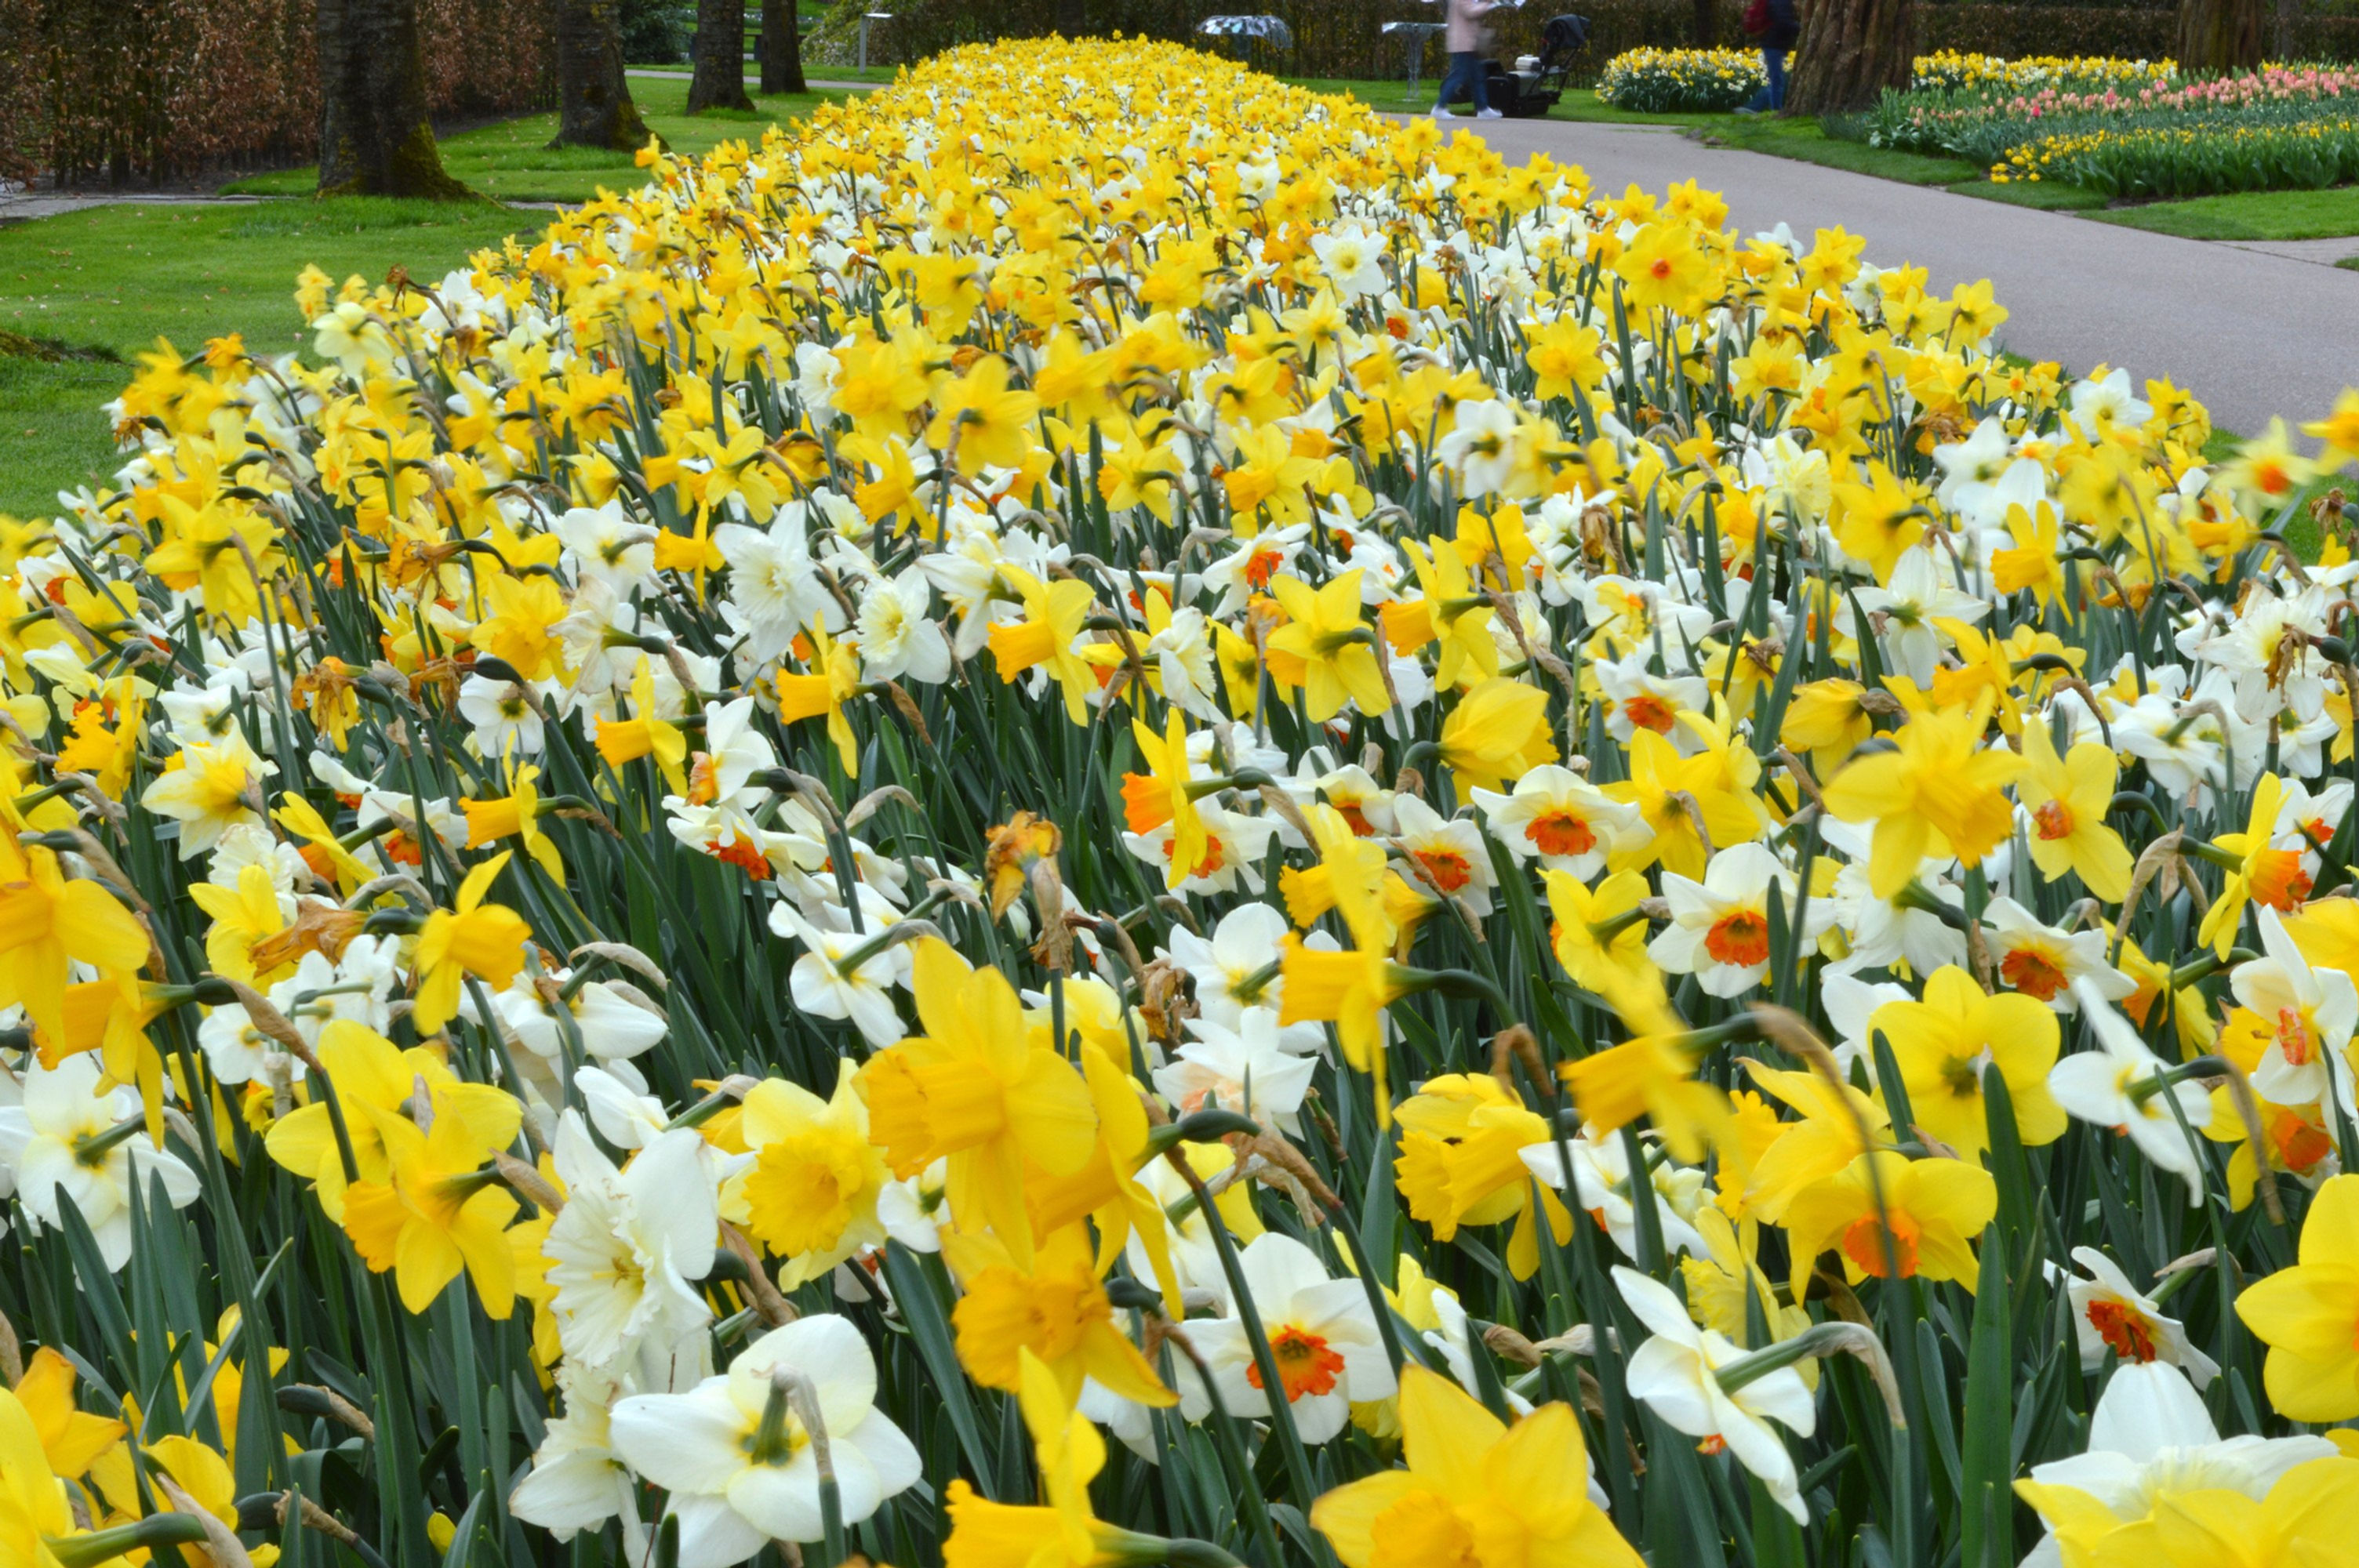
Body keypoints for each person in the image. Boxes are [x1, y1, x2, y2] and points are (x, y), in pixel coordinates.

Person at [1433, 0, 1504, 120]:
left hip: (1468, 43)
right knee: (1459, 76)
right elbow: (1470, 12)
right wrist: (1486, 3)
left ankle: (1483, 109)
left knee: (1477, 76)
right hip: (1463, 44)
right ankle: (1439, 107)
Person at [1738, 0, 1801, 114]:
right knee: (1777, 80)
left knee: (1777, 79)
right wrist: (1802, 28)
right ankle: (1768, 109)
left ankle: (1756, 107)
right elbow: (1783, 22)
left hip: (1772, 43)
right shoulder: (1780, 2)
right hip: (1775, 44)